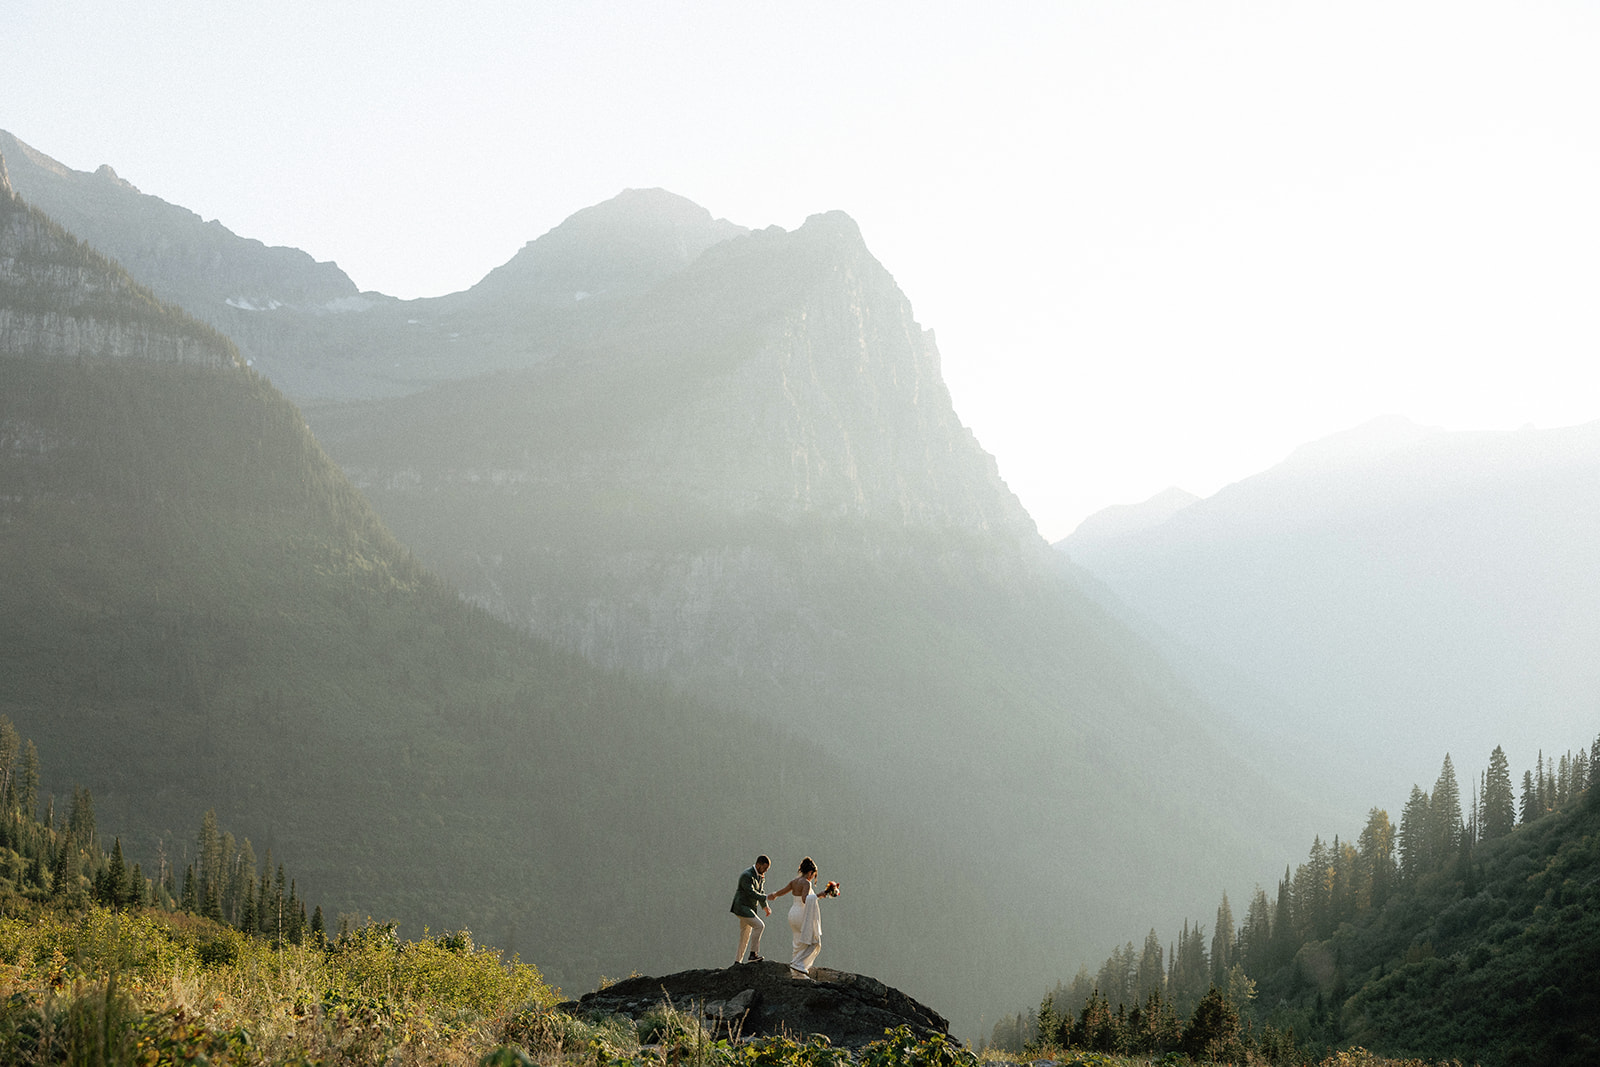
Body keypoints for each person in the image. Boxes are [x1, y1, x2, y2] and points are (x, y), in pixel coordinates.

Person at [769, 857, 835, 978]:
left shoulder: (794, 881)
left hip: (792, 913)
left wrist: (773, 895)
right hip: (802, 914)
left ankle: (797, 973)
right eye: (813, 875)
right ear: (810, 872)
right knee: (813, 942)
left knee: (798, 941)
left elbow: (782, 891)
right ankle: (798, 964)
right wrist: (819, 895)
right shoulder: (806, 883)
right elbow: (805, 900)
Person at [729, 855, 773, 965]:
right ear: (758, 865)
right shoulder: (747, 875)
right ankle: (753, 954)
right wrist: (766, 897)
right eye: (764, 868)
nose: (765, 871)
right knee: (759, 926)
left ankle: (737, 961)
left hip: (748, 908)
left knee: (745, 934)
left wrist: (765, 906)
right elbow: (751, 892)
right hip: (742, 907)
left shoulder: (760, 876)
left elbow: (761, 891)